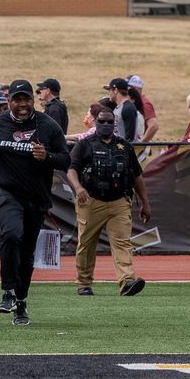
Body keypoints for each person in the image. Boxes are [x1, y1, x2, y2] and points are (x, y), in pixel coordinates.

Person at [0, 79, 70, 326]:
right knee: (11, 233)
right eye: (17, 99)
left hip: (36, 197)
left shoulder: (48, 125)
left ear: (31, 100)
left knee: (27, 253)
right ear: (9, 101)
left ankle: (21, 301)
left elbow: (66, 159)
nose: (23, 104)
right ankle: (7, 291)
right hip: (5, 190)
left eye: (26, 98)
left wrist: (46, 156)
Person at [66, 107, 150, 297]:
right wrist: (79, 188)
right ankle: (84, 283)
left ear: (114, 124)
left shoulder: (124, 146)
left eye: (109, 122)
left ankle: (127, 281)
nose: (105, 125)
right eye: (101, 121)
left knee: (123, 242)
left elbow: (137, 176)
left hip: (119, 201)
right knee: (86, 244)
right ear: (95, 122)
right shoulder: (85, 144)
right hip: (91, 200)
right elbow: (71, 169)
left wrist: (145, 202)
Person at [104, 78, 139, 142]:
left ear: (115, 90)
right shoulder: (119, 107)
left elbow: (129, 137)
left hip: (124, 150)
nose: (109, 93)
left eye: (110, 90)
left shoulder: (128, 108)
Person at [127, 75, 159, 142]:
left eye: (128, 87)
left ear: (135, 89)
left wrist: (142, 144)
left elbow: (154, 126)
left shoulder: (144, 104)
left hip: (140, 148)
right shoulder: (136, 102)